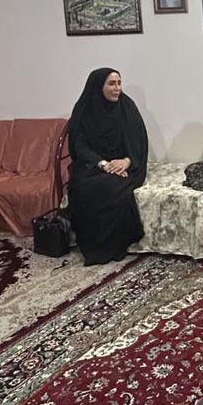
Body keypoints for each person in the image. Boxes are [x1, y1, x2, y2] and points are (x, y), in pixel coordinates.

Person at [67, 68, 149, 266]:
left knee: (115, 187)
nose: (117, 88)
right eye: (112, 84)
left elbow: (138, 142)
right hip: (92, 164)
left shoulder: (126, 107)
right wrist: (103, 164)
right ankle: (95, 246)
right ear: (98, 86)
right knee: (85, 187)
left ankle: (113, 246)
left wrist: (127, 161)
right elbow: (79, 146)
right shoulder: (84, 109)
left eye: (119, 83)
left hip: (124, 164)